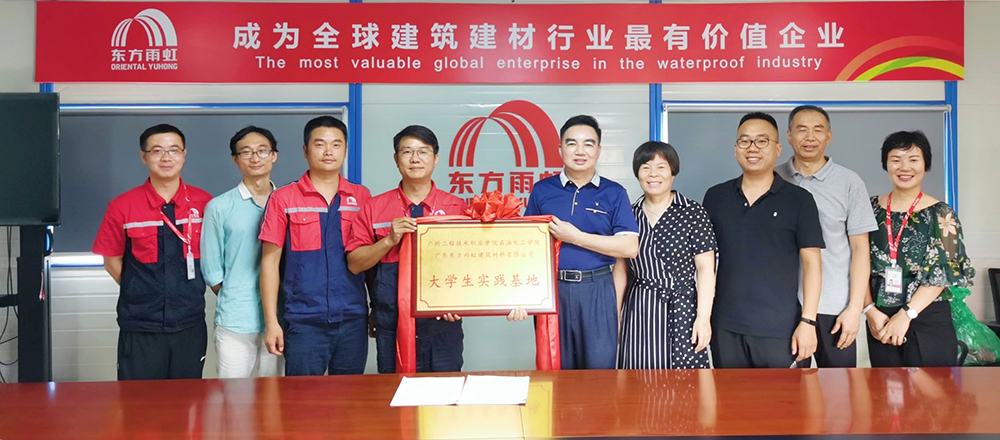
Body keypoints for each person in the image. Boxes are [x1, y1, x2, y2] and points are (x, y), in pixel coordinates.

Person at [702, 112, 824, 368]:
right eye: (744, 141)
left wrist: (808, 321)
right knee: (729, 394)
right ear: (735, 148)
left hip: (780, 329)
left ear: (778, 149)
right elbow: (704, 263)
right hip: (726, 327)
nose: (752, 148)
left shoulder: (799, 200)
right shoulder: (715, 197)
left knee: (784, 395)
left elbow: (812, 264)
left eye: (762, 141)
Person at [93, 124, 212, 380]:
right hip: (140, 325)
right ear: (143, 156)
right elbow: (112, 261)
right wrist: (140, 288)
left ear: (184, 155)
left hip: (189, 323)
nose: (166, 158)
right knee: (138, 400)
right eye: (157, 151)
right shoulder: (122, 206)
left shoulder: (205, 204)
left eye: (174, 150)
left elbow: (215, 257)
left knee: (188, 399)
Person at [519, 115, 639, 370]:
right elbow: (527, 248)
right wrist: (520, 297)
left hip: (598, 290)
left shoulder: (614, 193)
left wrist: (576, 237)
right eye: (572, 143)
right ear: (560, 148)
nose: (580, 151)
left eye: (588, 144)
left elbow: (629, 247)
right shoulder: (542, 190)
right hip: (553, 292)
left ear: (599, 150)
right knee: (556, 370)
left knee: (599, 372)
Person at [346, 125, 466, 373]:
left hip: (443, 324)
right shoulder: (374, 207)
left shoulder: (457, 207)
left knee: (445, 392)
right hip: (391, 324)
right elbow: (355, 264)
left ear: (435, 159)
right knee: (395, 392)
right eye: (407, 151)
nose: (415, 159)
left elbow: (473, 264)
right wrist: (389, 240)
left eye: (423, 151)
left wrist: (460, 303)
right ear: (396, 159)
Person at [259, 116, 370, 376]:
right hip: (304, 321)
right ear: (305, 150)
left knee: (350, 396)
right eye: (320, 144)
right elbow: (269, 262)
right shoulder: (284, 198)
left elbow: (370, 259)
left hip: (352, 318)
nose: (328, 151)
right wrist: (272, 323)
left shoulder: (361, 197)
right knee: (303, 398)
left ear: (345, 150)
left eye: (336, 144)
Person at [775, 105, 879, 367]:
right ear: (789, 135)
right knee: (786, 389)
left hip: (834, 308)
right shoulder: (773, 179)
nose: (810, 137)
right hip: (783, 306)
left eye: (818, 130)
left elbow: (861, 250)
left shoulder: (849, 182)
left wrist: (854, 309)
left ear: (829, 136)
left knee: (838, 388)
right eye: (801, 129)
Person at [865, 130, 975, 367]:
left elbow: (943, 273)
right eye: (896, 160)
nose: (904, 167)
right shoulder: (869, 208)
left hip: (927, 316)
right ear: (886, 164)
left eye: (913, 159)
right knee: (886, 386)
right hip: (880, 316)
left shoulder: (941, 213)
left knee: (930, 388)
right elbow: (857, 262)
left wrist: (906, 315)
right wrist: (869, 309)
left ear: (926, 164)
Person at [616, 141, 717, 369]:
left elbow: (705, 269)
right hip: (639, 307)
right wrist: (616, 317)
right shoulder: (628, 214)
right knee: (637, 376)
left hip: (682, 309)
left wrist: (703, 318)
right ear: (637, 173)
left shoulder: (693, 212)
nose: (653, 174)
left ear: (673, 172)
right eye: (645, 167)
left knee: (684, 382)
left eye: (661, 167)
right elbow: (621, 270)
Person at [200, 126, 283, 378]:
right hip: (236, 320)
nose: (255, 157)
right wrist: (236, 296)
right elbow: (212, 269)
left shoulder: (288, 203)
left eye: (262, 151)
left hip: (281, 317)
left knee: (275, 395)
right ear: (235, 159)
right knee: (235, 396)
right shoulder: (219, 207)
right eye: (246, 152)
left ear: (274, 155)